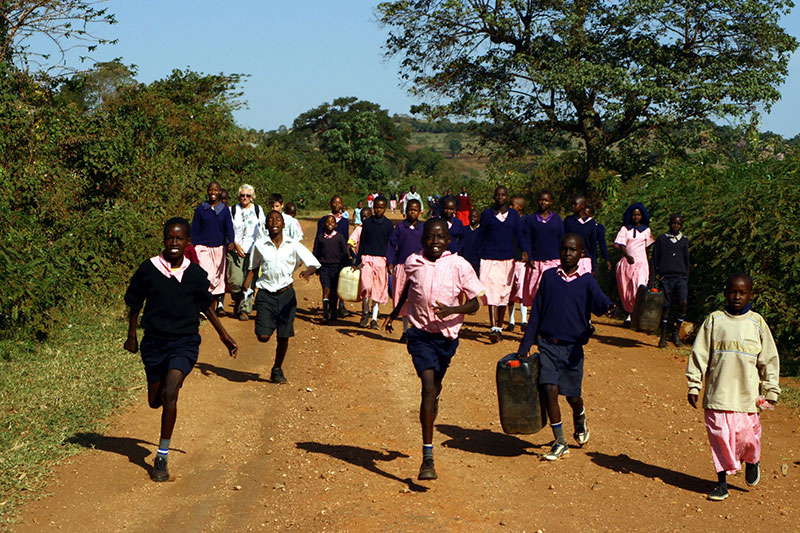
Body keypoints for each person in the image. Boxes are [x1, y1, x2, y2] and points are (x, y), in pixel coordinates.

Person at [124, 217, 238, 481]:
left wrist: (224, 335)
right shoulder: (150, 269)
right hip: (154, 343)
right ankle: (164, 386)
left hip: (184, 343)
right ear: (164, 240)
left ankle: (161, 457)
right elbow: (134, 303)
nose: (174, 243)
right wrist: (132, 337)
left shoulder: (196, 275)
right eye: (169, 238)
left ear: (188, 242)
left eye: (179, 239)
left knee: (171, 391)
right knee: (156, 401)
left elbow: (207, 305)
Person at [383, 218, 485, 480]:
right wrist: (394, 313)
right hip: (419, 334)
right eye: (430, 237)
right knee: (427, 388)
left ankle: (434, 396)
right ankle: (427, 458)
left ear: (449, 240)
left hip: (446, 337)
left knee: (435, 386)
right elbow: (409, 289)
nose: (435, 242)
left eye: (440, 237)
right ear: (422, 239)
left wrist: (453, 310)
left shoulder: (459, 265)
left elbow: (475, 303)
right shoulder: (412, 262)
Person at [517, 234, 616, 461]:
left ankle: (579, 416)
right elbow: (538, 312)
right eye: (564, 249)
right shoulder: (549, 277)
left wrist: (610, 307)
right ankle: (560, 440)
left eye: (573, 250)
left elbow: (600, 302)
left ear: (581, 254)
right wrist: (525, 345)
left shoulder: (586, 280)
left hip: (572, 350)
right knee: (549, 389)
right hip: (548, 345)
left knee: (572, 395)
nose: (567, 254)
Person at [686, 273, 780, 501]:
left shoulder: (756, 323)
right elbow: (699, 354)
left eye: (742, 292)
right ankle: (721, 483)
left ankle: (752, 460)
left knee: (748, 437)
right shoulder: (714, 321)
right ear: (725, 292)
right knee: (719, 439)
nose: (737, 296)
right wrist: (694, 384)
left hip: (747, 398)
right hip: (717, 395)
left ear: (750, 294)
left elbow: (769, 358)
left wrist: (771, 389)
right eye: (732, 292)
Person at [243, 211, 320, 383]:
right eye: (270, 220)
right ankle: (268, 325)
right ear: (266, 225)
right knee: (263, 336)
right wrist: (246, 284)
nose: (274, 222)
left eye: (278, 219)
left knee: (283, 336)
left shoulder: (293, 244)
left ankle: (277, 369)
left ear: (284, 224)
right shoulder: (260, 244)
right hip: (265, 294)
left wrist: (308, 271)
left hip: (286, 296)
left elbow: (313, 263)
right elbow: (253, 266)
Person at [477, 185, 529, 343]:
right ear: (494, 197)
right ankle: (494, 328)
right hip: (489, 258)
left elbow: (519, 235)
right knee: (491, 293)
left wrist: (524, 250)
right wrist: (473, 257)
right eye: (497, 194)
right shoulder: (486, 214)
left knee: (503, 294)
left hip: (507, 259)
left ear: (507, 197)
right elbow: (480, 236)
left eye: (503, 195)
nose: (500, 197)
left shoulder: (513, 215)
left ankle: (500, 327)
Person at [190, 181, 235, 316]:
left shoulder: (224, 210)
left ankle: (217, 305)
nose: (213, 193)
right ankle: (203, 305)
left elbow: (229, 228)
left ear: (220, 192)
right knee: (206, 275)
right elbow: (195, 229)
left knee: (218, 277)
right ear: (207, 191)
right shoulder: (201, 209)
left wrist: (231, 242)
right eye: (211, 190)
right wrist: (194, 244)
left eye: (216, 190)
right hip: (203, 248)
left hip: (219, 248)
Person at [386, 198, 424, 342]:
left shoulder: (423, 228)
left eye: (415, 210)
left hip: (419, 268)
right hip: (402, 267)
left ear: (419, 212)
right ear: (405, 211)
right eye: (410, 210)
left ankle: (417, 332)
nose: (412, 212)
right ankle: (405, 331)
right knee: (401, 299)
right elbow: (391, 245)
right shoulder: (401, 227)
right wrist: (390, 261)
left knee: (417, 300)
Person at [228, 184, 266, 321]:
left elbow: (263, 229)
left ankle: (245, 309)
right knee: (236, 281)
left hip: (253, 250)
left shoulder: (258, 209)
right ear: (239, 196)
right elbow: (227, 230)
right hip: (235, 250)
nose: (245, 198)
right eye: (243, 195)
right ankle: (238, 301)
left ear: (252, 197)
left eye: (248, 195)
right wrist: (236, 246)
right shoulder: (232, 210)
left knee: (250, 282)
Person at [355, 196, 394, 329]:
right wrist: (357, 260)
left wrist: (390, 262)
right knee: (366, 287)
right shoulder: (367, 223)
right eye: (376, 207)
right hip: (367, 258)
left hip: (381, 261)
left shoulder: (389, 225)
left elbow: (390, 245)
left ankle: (374, 319)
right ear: (373, 207)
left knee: (377, 290)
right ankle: (365, 312)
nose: (378, 210)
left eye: (381, 207)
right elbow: (362, 243)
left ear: (385, 208)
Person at [614, 203, 655, 326]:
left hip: (641, 264)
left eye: (638, 215)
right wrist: (627, 256)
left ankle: (637, 315)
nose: (636, 217)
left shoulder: (646, 231)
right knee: (626, 290)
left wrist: (646, 262)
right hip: (626, 264)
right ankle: (628, 315)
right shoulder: (625, 229)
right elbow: (621, 245)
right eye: (634, 215)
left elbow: (647, 247)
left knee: (639, 288)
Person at [653, 214, 690, 348]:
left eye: (679, 224)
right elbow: (655, 258)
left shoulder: (684, 240)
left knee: (683, 303)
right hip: (666, 277)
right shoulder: (662, 239)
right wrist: (655, 277)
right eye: (674, 223)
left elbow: (687, 261)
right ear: (669, 224)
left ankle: (676, 333)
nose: (676, 225)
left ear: (681, 226)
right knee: (666, 307)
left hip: (680, 278)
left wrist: (686, 277)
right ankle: (662, 336)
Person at [522, 190, 563, 308]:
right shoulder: (530, 219)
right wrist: (529, 256)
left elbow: (561, 239)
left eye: (546, 200)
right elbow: (527, 240)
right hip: (535, 262)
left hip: (553, 261)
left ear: (550, 202)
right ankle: (536, 320)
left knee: (551, 291)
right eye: (541, 200)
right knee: (534, 291)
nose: (543, 202)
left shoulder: (557, 220)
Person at [313, 215, 350, 323]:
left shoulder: (339, 238)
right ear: (324, 224)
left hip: (336, 268)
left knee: (334, 292)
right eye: (327, 222)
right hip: (324, 267)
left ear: (336, 225)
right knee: (326, 289)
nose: (330, 223)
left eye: (332, 222)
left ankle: (333, 312)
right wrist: (316, 267)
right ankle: (325, 314)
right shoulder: (321, 238)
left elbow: (344, 253)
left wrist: (346, 265)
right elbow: (317, 253)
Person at [562, 195, 595, 276]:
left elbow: (593, 245)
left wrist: (593, 266)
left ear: (582, 206)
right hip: (571, 259)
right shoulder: (568, 221)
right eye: (572, 204)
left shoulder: (591, 223)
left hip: (585, 260)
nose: (573, 206)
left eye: (575, 204)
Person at [584, 205, 611, 273]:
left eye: (586, 214)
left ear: (591, 215)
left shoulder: (597, 227)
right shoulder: (577, 226)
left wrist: (606, 259)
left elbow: (602, 244)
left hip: (591, 259)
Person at [458, 208, 481, 274]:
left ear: (479, 218)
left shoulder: (482, 231)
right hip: (465, 262)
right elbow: (460, 245)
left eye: (475, 217)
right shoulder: (464, 230)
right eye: (471, 216)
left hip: (477, 263)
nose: (472, 218)